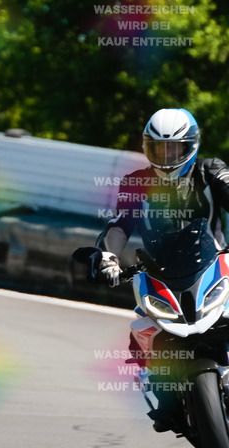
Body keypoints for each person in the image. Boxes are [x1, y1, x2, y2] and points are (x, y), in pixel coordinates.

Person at [96, 107, 229, 430]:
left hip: (215, 264)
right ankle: (164, 393)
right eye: (159, 148)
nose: (168, 156)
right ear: (147, 148)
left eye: (175, 148)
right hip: (158, 272)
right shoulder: (135, 182)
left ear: (191, 145)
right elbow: (118, 226)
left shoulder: (211, 170)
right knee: (141, 329)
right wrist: (108, 258)